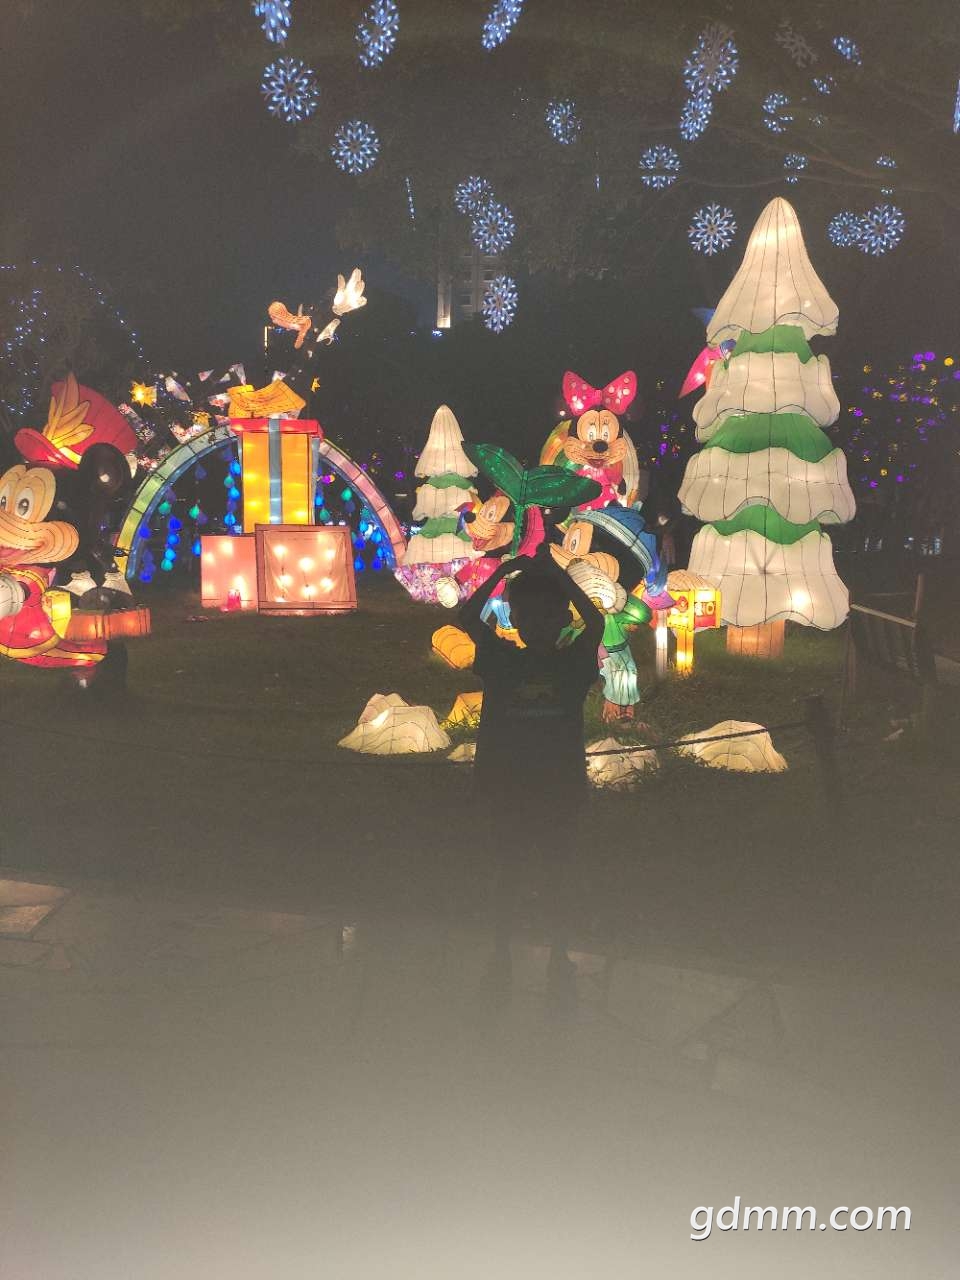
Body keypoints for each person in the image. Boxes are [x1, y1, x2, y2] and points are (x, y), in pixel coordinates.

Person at [458, 543, 604, 988]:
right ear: (516, 619)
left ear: (561, 618)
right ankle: (529, 950)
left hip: (533, 784)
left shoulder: (515, 662)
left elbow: (469, 616)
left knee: (535, 869)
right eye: (529, 615)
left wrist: (513, 574)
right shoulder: (537, 662)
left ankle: (529, 951)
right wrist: (544, 577)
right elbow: (467, 619)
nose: (538, 624)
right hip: (533, 785)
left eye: (547, 614)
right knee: (521, 868)